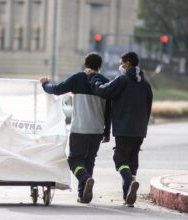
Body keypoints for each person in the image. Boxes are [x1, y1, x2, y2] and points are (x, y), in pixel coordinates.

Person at [40, 52, 111, 203]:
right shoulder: (105, 82)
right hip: (97, 129)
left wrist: (45, 84)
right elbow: (109, 110)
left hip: (80, 128)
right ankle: (83, 194)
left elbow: (58, 89)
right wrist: (107, 131)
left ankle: (85, 179)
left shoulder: (78, 78)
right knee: (89, 161)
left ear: (85, 64)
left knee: (74, 160)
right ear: (100, 66)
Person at [85, 51, 153, 207]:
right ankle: (127, 196)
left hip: (124, 128)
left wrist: (93, 79)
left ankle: (130, 182)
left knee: (120, 159)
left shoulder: (122, 80)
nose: (120, 66)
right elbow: (148, 108)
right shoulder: (146, 84)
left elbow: (103, 91)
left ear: (128, 64)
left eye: (121, 63)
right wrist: (143, 126)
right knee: (132, 160)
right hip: (140, 130)